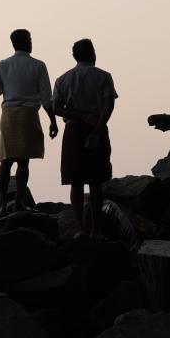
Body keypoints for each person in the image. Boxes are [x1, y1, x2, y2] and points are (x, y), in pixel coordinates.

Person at [0, 29, 59, 217]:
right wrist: (53, 121)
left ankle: (2, 205)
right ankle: (18, 202)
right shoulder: (38, 66)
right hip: (29, 114)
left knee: (6, 160)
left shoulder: (3, 65)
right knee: (23, 162)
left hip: (9, 114)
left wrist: (8, 86)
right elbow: (46, 98)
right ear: (28, 42)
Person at [52, 38, 118, 238]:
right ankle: (96, 229)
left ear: (75, 57)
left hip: (73, 131)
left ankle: (80, 229)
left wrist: (79, 116)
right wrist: (97, 130)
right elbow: (109, 105)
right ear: (92, 54)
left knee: (76, 181)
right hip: (97, 128)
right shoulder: (104, 77)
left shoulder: (63, 79)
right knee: (96, 182)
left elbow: (56, 108)